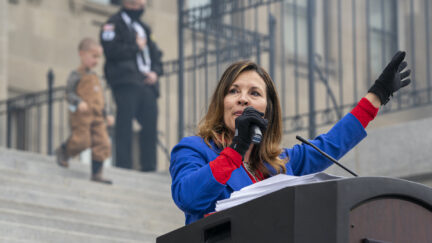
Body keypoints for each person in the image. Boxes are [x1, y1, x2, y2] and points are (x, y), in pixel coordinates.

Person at [170, 51, 411, 225]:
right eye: (233, 91)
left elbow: (332, 143)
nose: (242, 99)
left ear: (268, 110)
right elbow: (188, 199)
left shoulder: (282, 164)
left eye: (254, 93)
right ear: (222, 102)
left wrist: (377, 95)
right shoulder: (194, 149)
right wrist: (236, 149)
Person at [100, 0, 163, 171]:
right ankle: (123, 165)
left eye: (142, 5)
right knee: (124, 124)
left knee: (150, 124)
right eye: (137, 5)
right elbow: (111, 51)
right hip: (126, 81)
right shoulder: (113, 24)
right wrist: (135, 46)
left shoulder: (144, 27)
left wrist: (155, 72)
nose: (140, 9)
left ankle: (149, 167)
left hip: (146, 83)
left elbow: (156, 54)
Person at [56, 38, 115, 184]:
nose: (96, 60)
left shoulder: (96, 78)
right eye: (93, 56)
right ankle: (64, 151)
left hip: (97, 116)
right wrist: (78, 102)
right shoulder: (76, 75)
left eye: (98, 57)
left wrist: (106, 113)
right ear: (82, 54)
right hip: (81, 116)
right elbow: (68, 93)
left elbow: (101, 99)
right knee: (82, 141)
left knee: (103, 142)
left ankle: (97, 173)